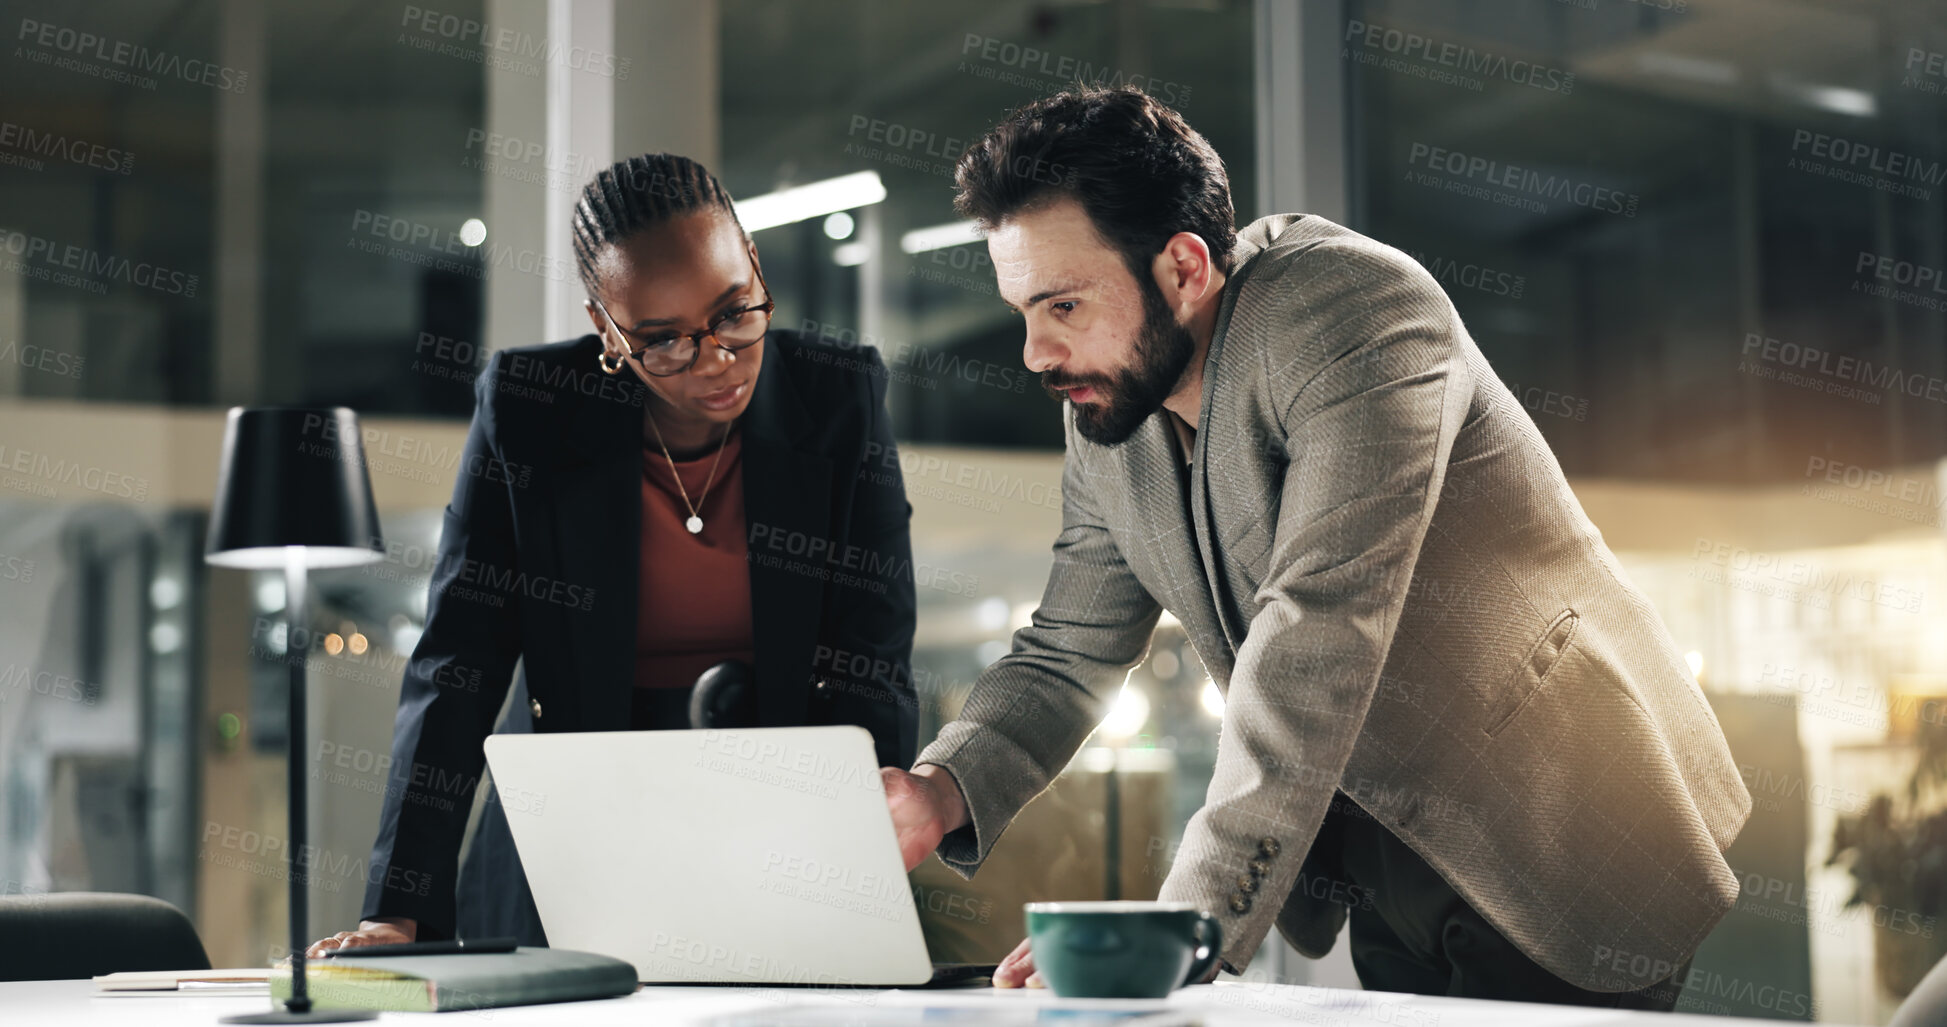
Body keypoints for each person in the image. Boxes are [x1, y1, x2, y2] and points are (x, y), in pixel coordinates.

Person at [880, 87, 1751, 1008]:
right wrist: (940, 787)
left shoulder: (1354, 310)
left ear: (1182, 268)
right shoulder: (1113, 408)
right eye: (1023, 310)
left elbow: (1317, 627)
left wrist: (1183, 926)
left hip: (1564, 819)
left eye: (1061, 304)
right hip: (1384, 847)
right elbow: (1065, 652)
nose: (1034, 353)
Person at [307, 153, 919, 956]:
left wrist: (850, 855)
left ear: (756, 267)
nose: (714, 360)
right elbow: (459, 661)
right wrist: (400, 907)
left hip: (776, 819)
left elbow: (870, 652)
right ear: (606, 328)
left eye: (734, 312)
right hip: (566, 831)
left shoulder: (837, 394)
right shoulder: (531, 406)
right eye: (661, 341)